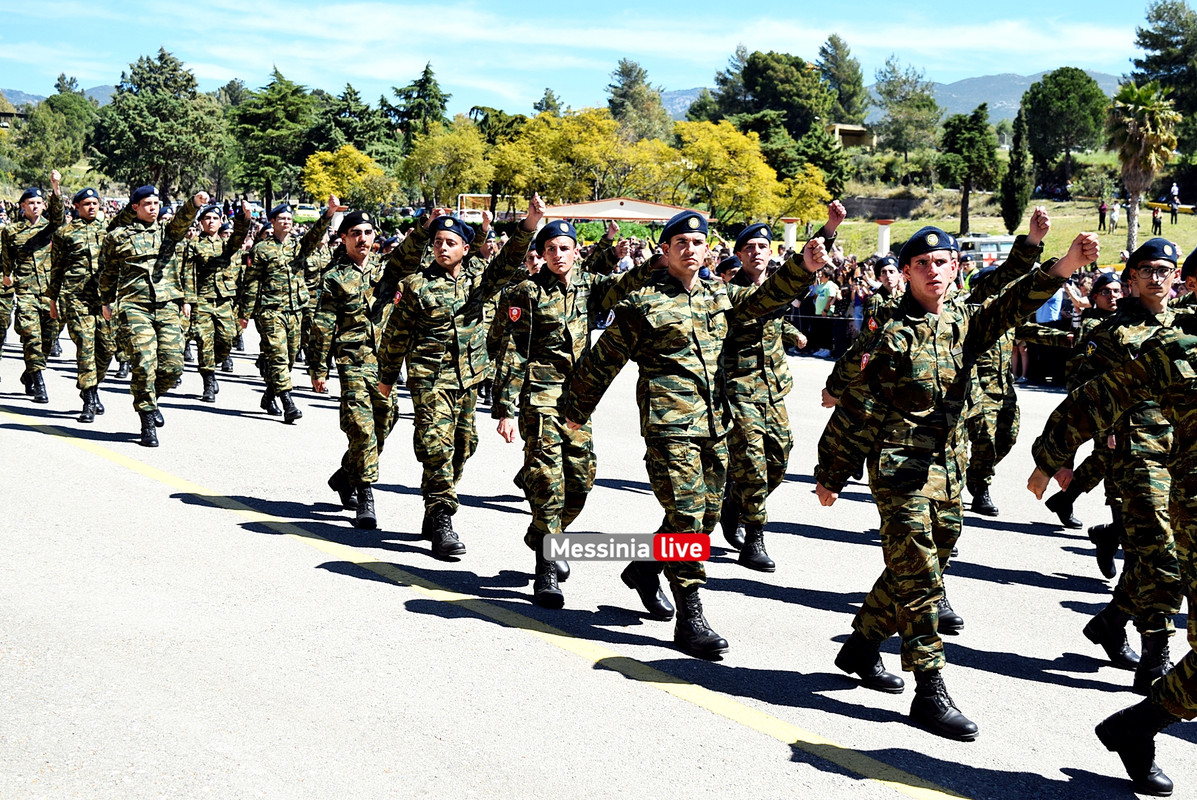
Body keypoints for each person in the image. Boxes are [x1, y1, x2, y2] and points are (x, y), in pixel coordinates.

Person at [813, 225, 1098, 740]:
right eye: (922, 264)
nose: (934, 271)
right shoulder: (887, 331)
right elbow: (857, 405)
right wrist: (832, 471)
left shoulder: (967, 320)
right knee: (923, 581)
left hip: (948, 469)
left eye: (942, 261)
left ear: (956, 268)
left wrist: (1064, 267)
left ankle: (860, 646)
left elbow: (1013, 305)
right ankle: (929, 688)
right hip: (900, 472)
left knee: (922, 564)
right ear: (904, 273)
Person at [562, 210, 829, 659]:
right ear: (664, 251)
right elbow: (602, 360)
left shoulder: (721, 298)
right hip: (669, 428)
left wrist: (803, 268)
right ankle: (691, 617)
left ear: (707, 250)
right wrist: (574, 412)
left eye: (696, 241)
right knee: (687, 517)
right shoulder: (642, 303)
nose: (689, 248)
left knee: (702, 520)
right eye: (679, 242)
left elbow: (765, 301)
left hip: (716, 423)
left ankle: (645, 569)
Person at [1027, 324, 1197, 798]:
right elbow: (1096, 398)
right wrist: (1050, 459)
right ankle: (1140, 715)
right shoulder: (1179, 347)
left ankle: (1137, 723)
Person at [489, 219, 651, 608]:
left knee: (580, 480)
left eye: (565, 248)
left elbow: (621, 287)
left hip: (579, 397)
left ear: (576, 251)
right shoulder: (526, 292)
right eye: (551, 249)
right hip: (539, 395)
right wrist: (506, 408)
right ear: (541, 255)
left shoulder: (587, 286)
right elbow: (514, 351)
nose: (558, 255)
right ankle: (546, 566)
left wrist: (652, 263)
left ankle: (543, 532)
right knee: (548, 480)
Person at [377, 197, 543, 558]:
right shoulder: (416, 286)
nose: (441, 248)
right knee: (436, 446)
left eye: (450, 243)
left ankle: (434, 506)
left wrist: (528, 225)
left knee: (464, 447)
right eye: (437, 242)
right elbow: (395, 336)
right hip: (429, 379)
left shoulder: (479, 282)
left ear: (466, 249)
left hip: (468, 380)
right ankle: (441, 517)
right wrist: (386, 379)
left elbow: (506, 262)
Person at [1063, 238, 1185, 695]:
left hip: (1183, 453)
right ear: (1131, 277)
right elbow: (1080, 389)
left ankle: (1112, 621)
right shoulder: (1112, 332)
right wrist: (1101, 433)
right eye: (1147, 269)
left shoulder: (1186, 325)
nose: (1157, 277)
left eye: (1165, 269)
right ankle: (1156, 655)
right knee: (1161, 555)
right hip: (1136, 454)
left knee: (1160, 551)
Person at [720, 204, 844, 570]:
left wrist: (830, 229)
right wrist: (807, 261)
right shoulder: (729, 292)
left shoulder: (772, 289)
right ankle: (754, 536)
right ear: (740, 255)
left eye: (763, 246)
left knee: (778, 459)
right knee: (753, 464)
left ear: (771, 252)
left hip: (773, 388)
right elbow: (762, 304)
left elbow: (771, 320)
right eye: (749, 248)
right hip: (739, 388)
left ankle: (733, 502)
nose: (757, 252)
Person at [309, 203, 403, 531]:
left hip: (384, 364)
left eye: (367, 233)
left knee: (385, 424)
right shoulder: (334, 277)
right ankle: (366, 494)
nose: (362, 239)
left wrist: (426, 224)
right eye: (355, 234)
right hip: (352, 362)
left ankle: (345, 475)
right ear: (344, 239)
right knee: (362, 430)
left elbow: (416, 252)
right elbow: (322, 325)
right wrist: (318, 369)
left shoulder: (388, 272)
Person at [98, 185, 203, 447]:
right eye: (147, 203)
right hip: (135, 307)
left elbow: (181, 221)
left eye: (156, 203)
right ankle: (146, 420)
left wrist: (195, 203)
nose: (153, 207)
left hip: (166, 305)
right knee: (144, 363)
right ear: (135, 207)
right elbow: (108, 272)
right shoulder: (118, 237)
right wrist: (106, 302)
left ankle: (152, 399)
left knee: (172, 366)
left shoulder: (168, 234)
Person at [240, 200, 334, 423]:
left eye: (289, 219)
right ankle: (288, 402)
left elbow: (315, 233)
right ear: (272, 222)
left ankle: (269, 395)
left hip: (295, 311)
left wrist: (329, 213)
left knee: (289, 359)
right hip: (270, 311)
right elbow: (251, 282)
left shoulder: (299, 246)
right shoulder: (262, 249)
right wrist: (245, 313)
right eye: (282, 218)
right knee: (278, 357)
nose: (286, 222)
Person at [48, 187, 117, 423]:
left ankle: (92, 385)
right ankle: (89, 399)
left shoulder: (109, 230)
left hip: (104, 299)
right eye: (86, 203)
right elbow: (56, 268)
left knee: (107, 348)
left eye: (95, 203)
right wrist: (53, 299)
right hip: (76, 298)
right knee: (86, 346)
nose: (91, 207)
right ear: (76, 207)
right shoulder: (64, 233)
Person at [1, 172, 65, 403]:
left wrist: (56, 187)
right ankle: (39, 381)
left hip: (49, 292)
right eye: (31, 203)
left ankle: (29, 373)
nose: (35, 207)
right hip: (26, 290)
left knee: (49, 338)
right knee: (30, 335)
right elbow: (7, 257)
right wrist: (7, 275)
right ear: (22, 206)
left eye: (39, 203)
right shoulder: (11, 231)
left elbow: (59, 217)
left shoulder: (51, 228)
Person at [183, 201, 251, 402]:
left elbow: (239, 236)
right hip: (202, 299)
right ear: (201, 222)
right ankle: (209, 381)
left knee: (227, 339)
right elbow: (188, 273)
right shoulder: (194, 245)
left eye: (215, 218)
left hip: (224, 301)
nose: (211, 221)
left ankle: (214, 363)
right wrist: (188, 301)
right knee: (205, 341)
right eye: (207, 218)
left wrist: (244, 217)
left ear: (221, 221)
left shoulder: (227, 245)